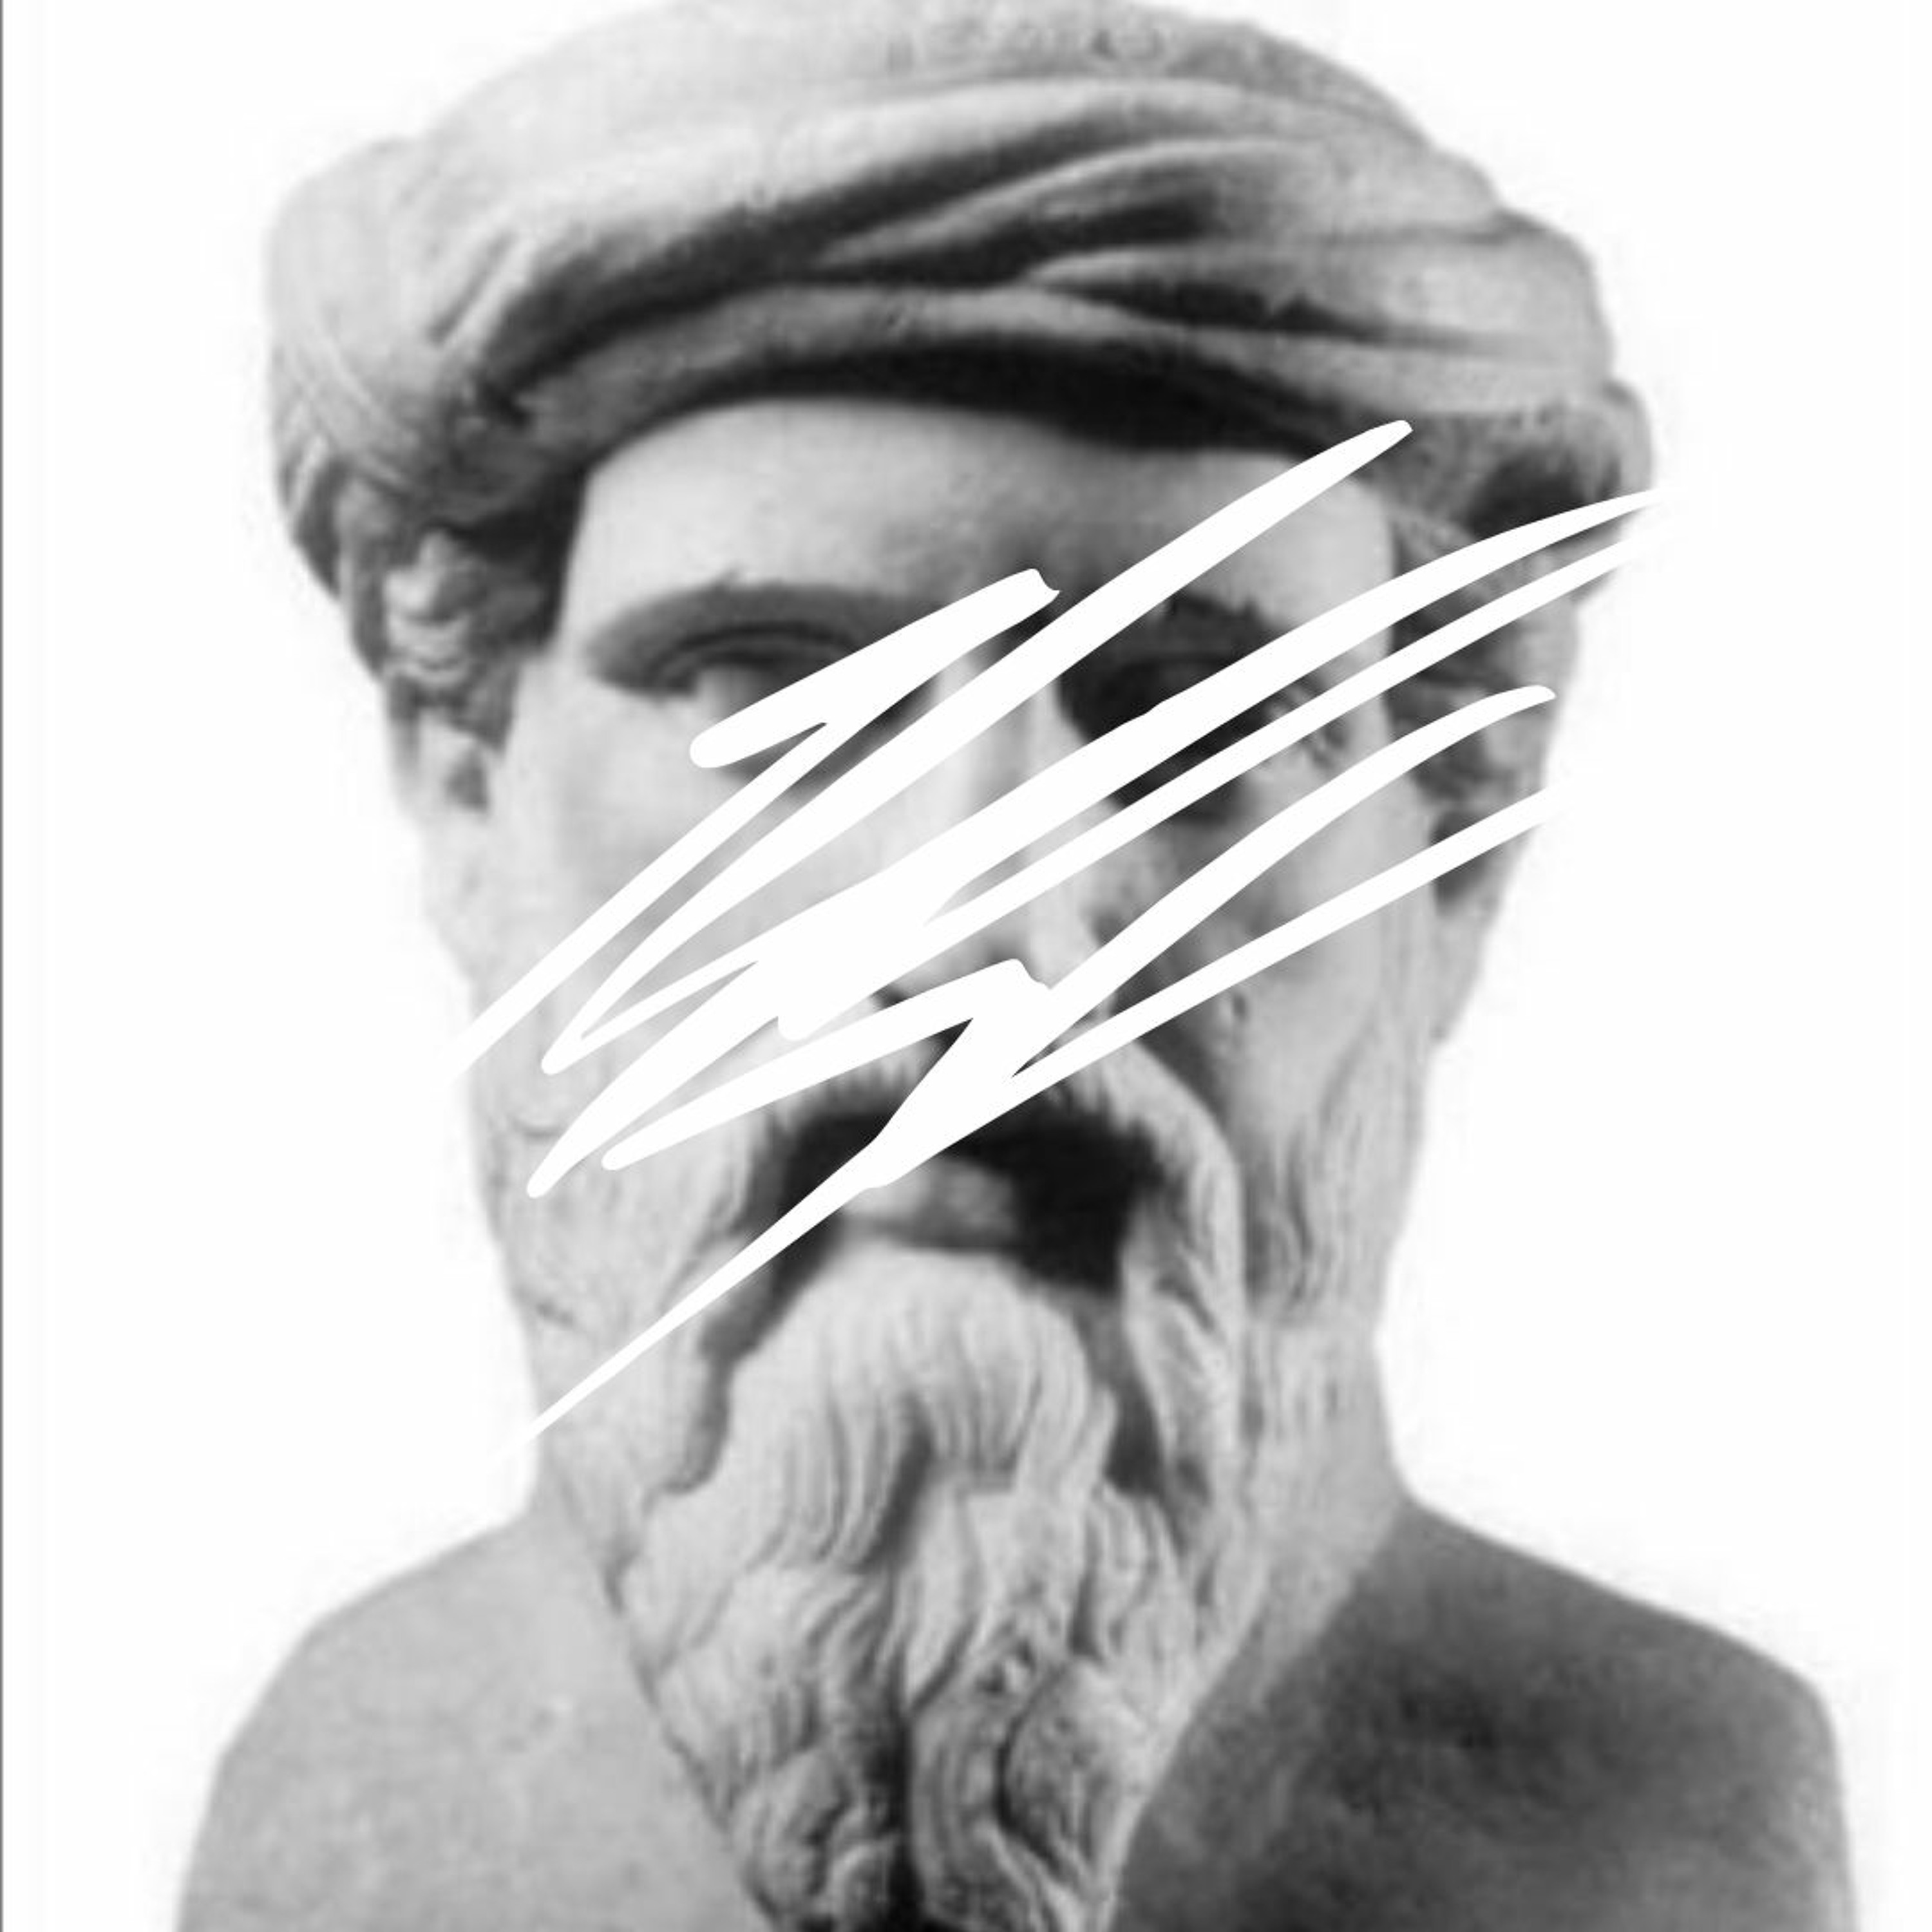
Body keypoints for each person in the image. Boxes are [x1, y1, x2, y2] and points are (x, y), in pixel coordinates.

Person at [184, 1, 1850, 1926]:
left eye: (1195, 724)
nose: (982, 935)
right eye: (776, 695)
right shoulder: (346, 1806)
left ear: (1450, 859)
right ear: (467, 789)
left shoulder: (1658, 1830)